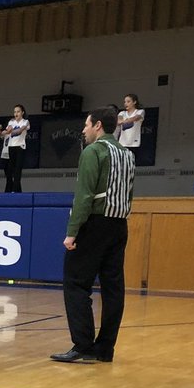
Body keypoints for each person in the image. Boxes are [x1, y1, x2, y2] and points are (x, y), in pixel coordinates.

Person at [51, 106, 135, 364]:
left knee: (76, 282)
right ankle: (105, 349)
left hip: (95, 223)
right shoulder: (128, 155)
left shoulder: (94, 151)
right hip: (120, 225)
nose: (84, 130)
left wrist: (72, 232)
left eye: (87, 125)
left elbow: (84, 195)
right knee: (113, 289)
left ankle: (83, 345)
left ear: (98, 125)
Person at [0, 105, 30, 193]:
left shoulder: (25, 121)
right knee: (11, 170)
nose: (16, 113)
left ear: (22, 112)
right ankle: (15, 190)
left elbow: (20, 130)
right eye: (14, 112)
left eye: (18, 111)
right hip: (11, 147)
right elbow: (6, 132)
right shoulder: (11, 122)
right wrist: (0, 130)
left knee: (18, 169)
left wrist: (11, 132)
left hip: (20, 146)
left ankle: (15, 190)